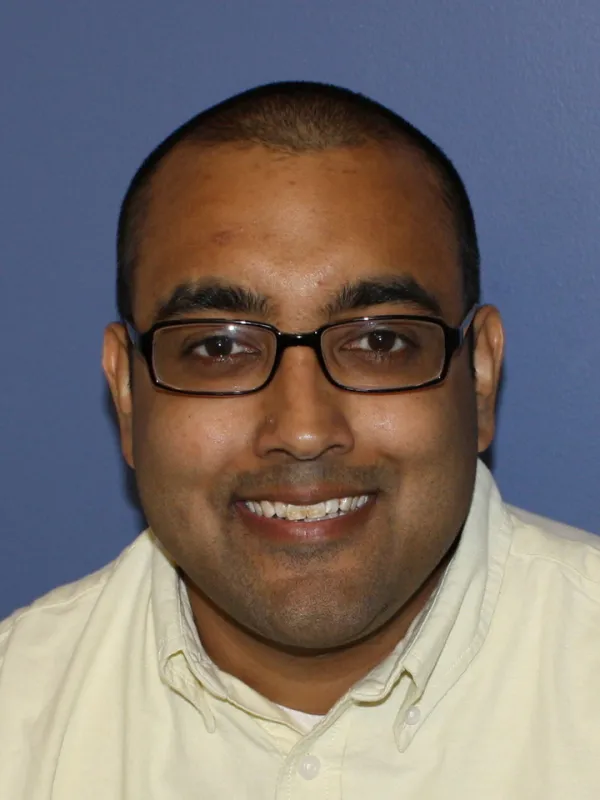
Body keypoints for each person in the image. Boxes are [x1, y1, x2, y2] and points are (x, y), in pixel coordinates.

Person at [0, 81, 598, 798]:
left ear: (479, 378)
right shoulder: (19, 719)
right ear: (128, 395)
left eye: (379, 340)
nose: (306, 429)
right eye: (218, 348)